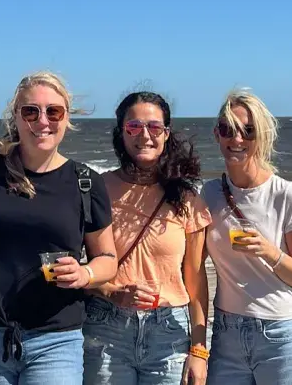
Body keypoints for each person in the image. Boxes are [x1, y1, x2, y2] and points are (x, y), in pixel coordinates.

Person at [0, 71, 119, 385]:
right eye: (31, 111)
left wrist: (85, 274)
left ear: (66, 118)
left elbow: (108, 259)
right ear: (15, 116)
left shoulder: (85, 182)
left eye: (53, 111)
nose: (42, 121)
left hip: (56, 339)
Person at [83, 92, 213, 385]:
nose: (145, 135)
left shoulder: (186, 198)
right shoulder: (96, 189)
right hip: (107, 327)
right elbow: (82, 269)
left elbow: (194, 279)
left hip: (169, 331)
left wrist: (199, 349)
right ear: (121, 133)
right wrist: (112, 292)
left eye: (154, 127)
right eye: (134, 126)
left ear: (166, 134)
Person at [202, 89, 292, 385]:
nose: (237, 139)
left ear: (262, 136)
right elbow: (189, 260)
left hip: (278, 334)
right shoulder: (210, 194)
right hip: (226, 332)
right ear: (217, 134)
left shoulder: (287, 194)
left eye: (248, 131)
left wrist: (270, 252)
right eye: (228, 130)